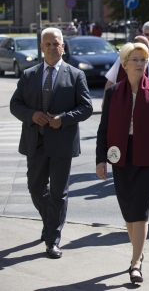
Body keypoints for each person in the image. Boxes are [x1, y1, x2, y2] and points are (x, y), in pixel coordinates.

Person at [10, 27, 92, 259]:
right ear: (41, 47)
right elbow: (15, 104)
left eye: (56, 43)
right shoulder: (29, 74)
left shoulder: (75, 75)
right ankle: (50, 220)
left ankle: (53, 239)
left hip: (62, 143)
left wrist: (63, 119)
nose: (51, 47)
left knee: (59, 192)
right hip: (35, 141)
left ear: (63, 47)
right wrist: (32, 115)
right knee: (35, 187)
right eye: (47, 44)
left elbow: (86, 107)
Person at [96, 42, 149, 284]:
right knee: (128, 211)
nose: (140, 64)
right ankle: (138, 251)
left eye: (144, 60)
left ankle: (135, 262)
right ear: (125, 64)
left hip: (148, 157)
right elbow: (103, 129)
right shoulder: (112, 92)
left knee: (140, 210)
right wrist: (100, 159)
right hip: (120, 156)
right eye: (136, 60)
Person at [103, 36, 149, 107]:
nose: (139, 64)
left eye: (143, 60)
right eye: (134, 60)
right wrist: (105, 101)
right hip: (121, 101)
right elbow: (110, 81)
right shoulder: (121, 60)